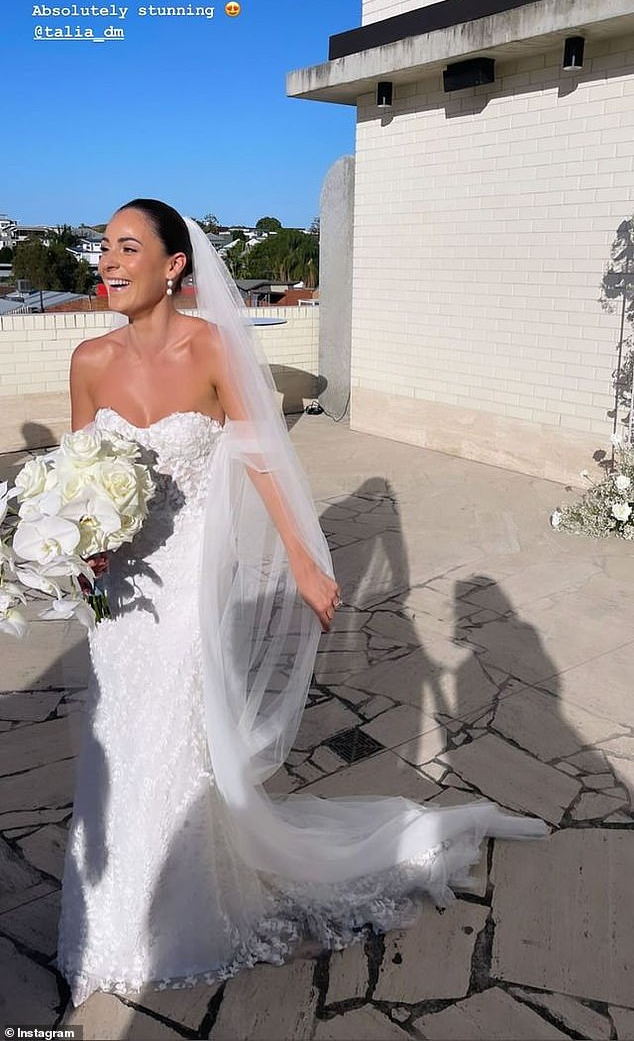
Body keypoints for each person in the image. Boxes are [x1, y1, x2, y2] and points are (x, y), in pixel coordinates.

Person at [56, 199, 548, 1006]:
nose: (108, 261)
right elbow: (78, 478)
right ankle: (104, 922)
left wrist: (302, 559)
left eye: (128, 247)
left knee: (173, 741)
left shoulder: (211, 347)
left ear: (174, 265)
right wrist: (70, 549)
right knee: (116, 737)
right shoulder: (87, 359)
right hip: (118, 593)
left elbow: (259, 457)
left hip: (182, 592)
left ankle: (177, 920)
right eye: (104, 246)